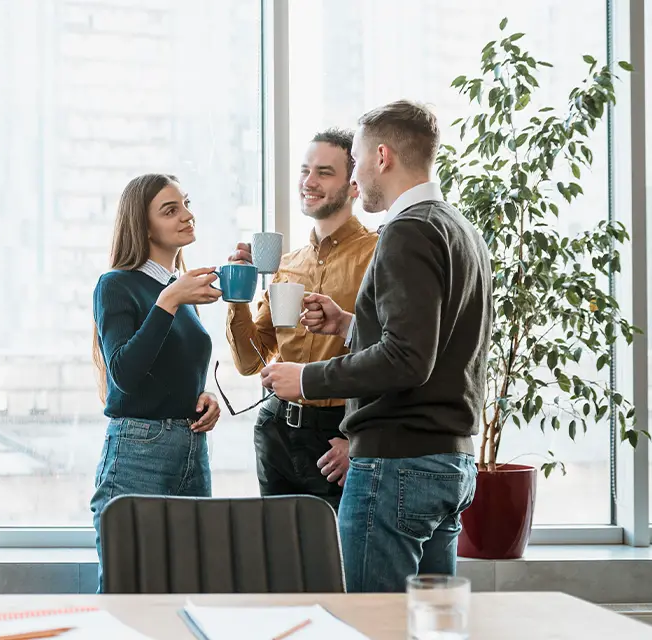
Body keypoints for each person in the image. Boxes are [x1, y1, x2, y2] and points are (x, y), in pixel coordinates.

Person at [260, 100, 492, 593]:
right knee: (427, 623)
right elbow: (431, 343)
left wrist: (305, 378)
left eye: (358, 159)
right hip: (449, 464)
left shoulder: (407, 230)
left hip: (396, 469)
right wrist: (349, 325)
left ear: (382, 157)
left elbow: (406, 359)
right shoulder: (459, 228)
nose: (356, 176)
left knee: (371, 623)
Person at [225, 129, 378, 511]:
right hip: (275, 428)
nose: (309, 182)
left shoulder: (378, 256)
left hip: (338, 435)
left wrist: (359, 440)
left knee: (335, 548)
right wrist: (238, 292)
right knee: (278, 546)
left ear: (354, 185)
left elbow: (395, 354)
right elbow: (250, 361)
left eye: (324, 172)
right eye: (305, 170)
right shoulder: (287, 264)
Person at [90, 173, 223, 583]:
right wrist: (168, 301)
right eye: (170, 210)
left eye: (186, 204)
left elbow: (170, 366)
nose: (187, 215)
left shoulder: (177, 289)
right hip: (139, 452)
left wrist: (202, 395)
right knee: (128, 589)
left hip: (191, 450)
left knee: (191, 585)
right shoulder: (117, 285)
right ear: (144, 226)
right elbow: (124, 374)